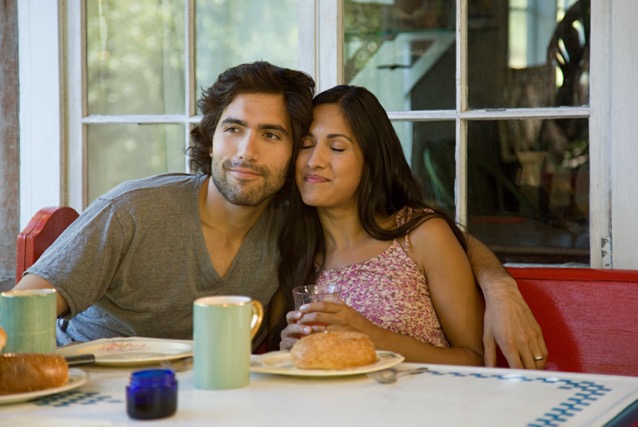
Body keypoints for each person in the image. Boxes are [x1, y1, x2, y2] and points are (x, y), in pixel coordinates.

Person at [13, 61, 545, 368]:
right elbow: (19, 312)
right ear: (211, 135)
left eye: (272, 135)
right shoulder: (134, 210)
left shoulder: (291, 220)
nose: (246, 152)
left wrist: (498, 284)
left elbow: (426, 228)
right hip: (90, 391)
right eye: (233, 129)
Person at [278, 85, 547, 368]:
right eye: (306, 145)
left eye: (336, 147)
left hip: (419, 408)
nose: (314, 161)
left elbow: (474, 360)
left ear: (372, 161)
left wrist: (370, 337)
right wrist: (289, 352)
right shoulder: (296, 250)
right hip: (332, 410)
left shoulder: (420, 237)